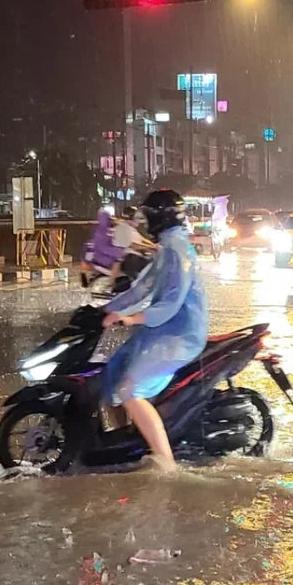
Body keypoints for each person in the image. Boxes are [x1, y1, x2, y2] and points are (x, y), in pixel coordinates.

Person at [101, 190, 208, 472]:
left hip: (180, 333)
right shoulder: (166, 247)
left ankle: (166, 463)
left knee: (129, 388)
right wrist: (105, 310)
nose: (143, 222)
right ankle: (125, 442)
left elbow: (172, 303)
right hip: (160, 330)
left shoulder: (177, 251)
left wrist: (133, 318)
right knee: (110, 371)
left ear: (159, 217)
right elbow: (142, 288)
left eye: (147, 216)